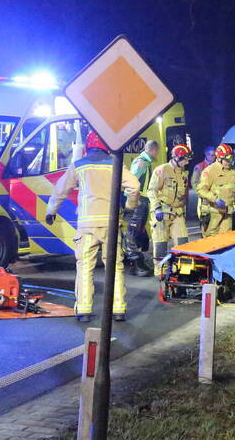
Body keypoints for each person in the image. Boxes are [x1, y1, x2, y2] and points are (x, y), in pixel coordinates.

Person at [46, 131, 139, 321]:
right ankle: (118, 309)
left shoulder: (79, 165)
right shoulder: (116, 164)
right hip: (110, 224)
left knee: (85, 266)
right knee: (115, 266)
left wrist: (51, 211)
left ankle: (84, 310)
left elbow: (61, 189)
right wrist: (130, 206)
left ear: (88, 146)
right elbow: (135, 186)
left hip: (87, 225)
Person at [148, 144, 191, 275]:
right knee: (161, 243)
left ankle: (182, 271)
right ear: (176, 157)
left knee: (182, 241)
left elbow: (182, 195)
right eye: (185, 159)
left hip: (177, 213)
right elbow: (152, 190)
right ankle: (160, 270)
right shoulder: (162, 170)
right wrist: (157, 208)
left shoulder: (183, 173)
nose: (187, 162)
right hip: (162, 212)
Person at [125, 139, 159, 276]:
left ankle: (138, 262)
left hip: (142, 201)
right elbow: (131, 183)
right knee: (133, 232)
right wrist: (132, 202)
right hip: (138, 201)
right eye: (157, 151)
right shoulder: (141, 163)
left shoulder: (146, 162)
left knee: (139, 232)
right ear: (153, 150)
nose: (157, 154)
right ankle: (136, 264)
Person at [196, 143, 235, 237]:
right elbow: (200, 190)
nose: (229, 162)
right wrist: (215, 199)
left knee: (226, 240)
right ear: (219, 158)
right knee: (211, 240)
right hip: (213, 212)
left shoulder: (234, 170)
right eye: (227, 160)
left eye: (231, 159)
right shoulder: (209, 171)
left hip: (228, 212)